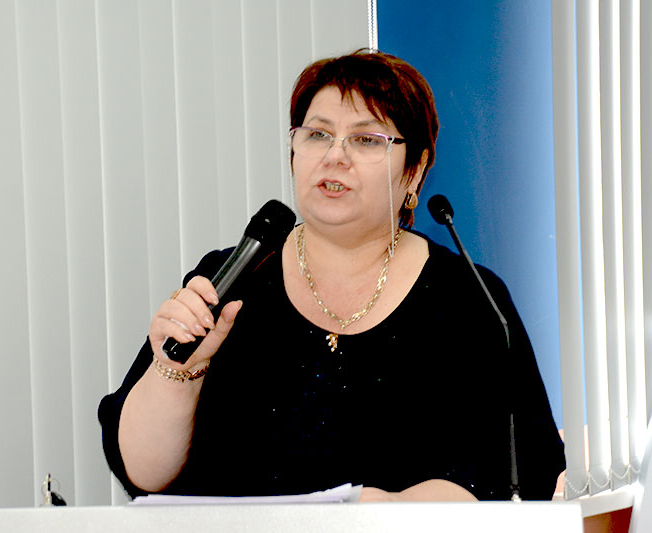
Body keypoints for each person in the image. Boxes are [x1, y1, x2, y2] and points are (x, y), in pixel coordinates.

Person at [98, 49, 565, 502]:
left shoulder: (468, 297)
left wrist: (407, 509)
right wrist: (178, 372)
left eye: (366, 139)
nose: (334, 156)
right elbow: (143, 474)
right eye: (317, 135)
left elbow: (527, 469)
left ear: (414, 170)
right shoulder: (229, 280)